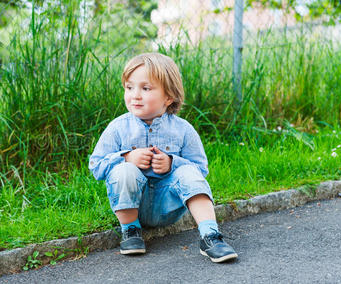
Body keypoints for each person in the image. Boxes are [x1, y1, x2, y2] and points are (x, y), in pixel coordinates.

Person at [88, 53, 237, 263]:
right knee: (124, 170)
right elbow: (96, 165)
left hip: (168, 205)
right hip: (134, 207)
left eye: (145, 88)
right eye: (129, 87)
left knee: (188, 172)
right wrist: (127, 157)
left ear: (169, 97)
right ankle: (131, 232)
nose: (135, 95)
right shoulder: (118, 128)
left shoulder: (183, 130)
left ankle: (210, 235)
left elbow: (200, 170)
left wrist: (171, 164)